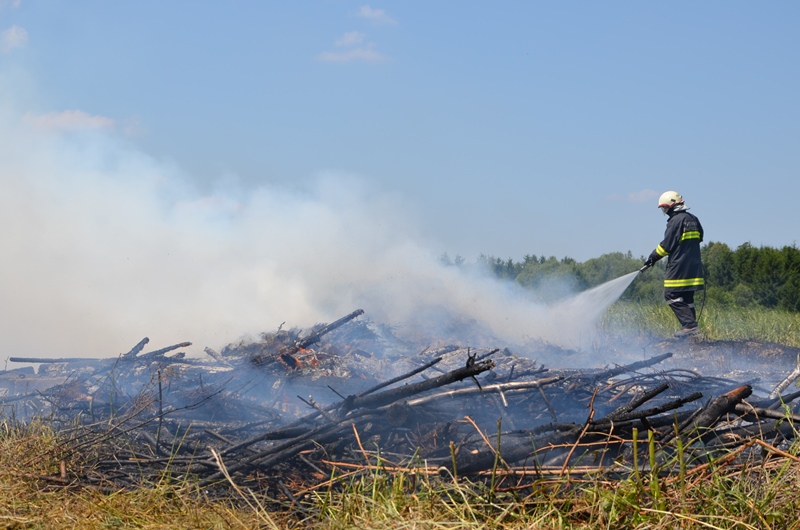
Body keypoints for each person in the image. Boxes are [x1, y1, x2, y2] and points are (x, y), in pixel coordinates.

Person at [642, 191, 705, 338]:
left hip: (679, 265)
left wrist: (653, 257)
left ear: (671, 206)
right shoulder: (693, 219)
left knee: (671, 294)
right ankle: (692, 333)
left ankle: (690, 326)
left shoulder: (675, 221)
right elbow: (700, 237)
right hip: (693, 266)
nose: (665, 211)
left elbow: (666, 246)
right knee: (687, 297)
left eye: (665, 208)